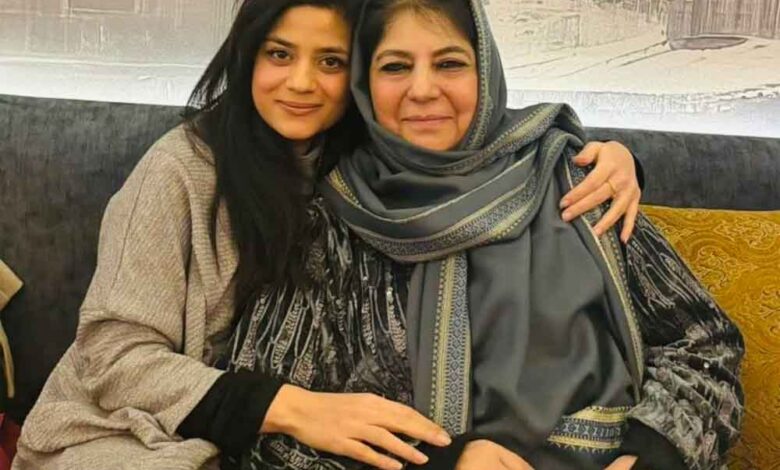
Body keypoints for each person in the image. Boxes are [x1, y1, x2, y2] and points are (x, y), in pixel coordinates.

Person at [13, 0, 645, 469]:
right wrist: (292, 407)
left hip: (255, 438)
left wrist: (615, 162)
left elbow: (479, 149)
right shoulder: (182, 168)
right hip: (124, 429)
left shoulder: (365, 166)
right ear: (246, 55)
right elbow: (112, 356)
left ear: (359, 80)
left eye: (331, 62)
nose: (301, 82)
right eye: (279, 54)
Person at [226, 0, 745, 469]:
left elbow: (707, 345)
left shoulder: (577, 182)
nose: (422, 89)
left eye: (450, 64)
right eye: (395, 67)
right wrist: (444, 461)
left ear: (486, 72)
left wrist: (650, 457)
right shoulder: (334, 222)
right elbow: (271, 427)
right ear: (364, 83)